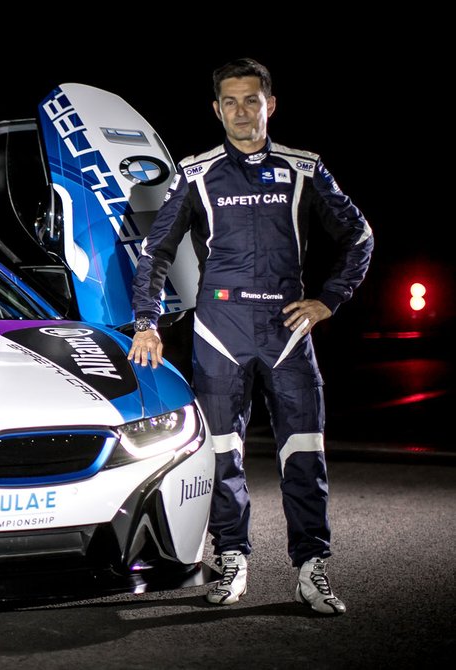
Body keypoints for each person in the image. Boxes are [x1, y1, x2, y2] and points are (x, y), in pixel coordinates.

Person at [126, 57, 373, 616]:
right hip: (220, 332)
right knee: (221, 456)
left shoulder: (304, 168)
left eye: (252, 100)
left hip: (287, 331)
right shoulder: (196, 173)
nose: (242, 111)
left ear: (271, 105)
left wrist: (328, 300)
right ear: (216, 110)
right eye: (231, 102)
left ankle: (312, 569)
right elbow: (155, 252)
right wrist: (147, 321)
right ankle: (232, 558)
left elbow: (359, 235)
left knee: (304, 453)